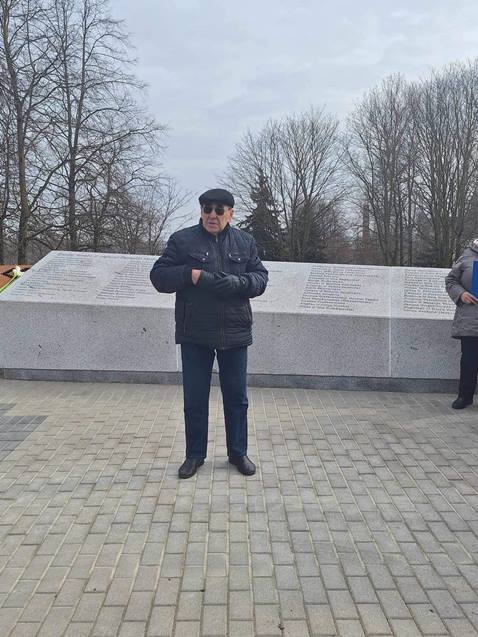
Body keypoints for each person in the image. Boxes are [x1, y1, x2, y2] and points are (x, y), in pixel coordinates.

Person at [150, 188, 269, 478]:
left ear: (230, 213)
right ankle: (194, 456)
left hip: (235, 332)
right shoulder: (182, 240)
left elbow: (260, 277)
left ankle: (238, 453)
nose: (212, 215)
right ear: (201, 211)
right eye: (207, 209)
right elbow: (159, 276)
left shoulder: (245, 241)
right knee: (195, 399)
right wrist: (190, 275)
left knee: (237, 398)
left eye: (219, 209)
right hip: (195, 333)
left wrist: (240, 283)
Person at [445, 238, 478, 409]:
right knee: (469, 361)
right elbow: (451, 281)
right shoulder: (467, 256)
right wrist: (461, 294)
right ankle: (465, 396)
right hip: (470, 319)